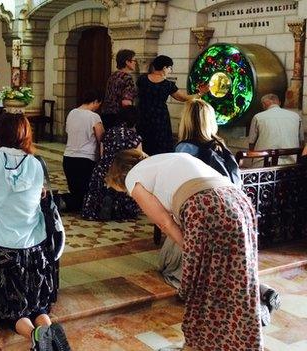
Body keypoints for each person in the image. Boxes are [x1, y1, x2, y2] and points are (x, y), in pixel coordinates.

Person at [106, 149, 263, 350]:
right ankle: (242, 343)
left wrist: (188, 249)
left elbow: (165, 223)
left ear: (119, 176)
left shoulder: (133, 178)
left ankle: (200, 345)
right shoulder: (165, 158)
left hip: (207, 206)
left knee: (202, 283)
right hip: (239, 201)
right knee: (238, 278)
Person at [173, 99, 280, 326]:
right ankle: (261, 293)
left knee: (174, 269)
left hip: (208, 214)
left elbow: (181, 189)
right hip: (238, 209)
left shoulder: (185, 148)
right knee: (235, 263)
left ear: (186, 120)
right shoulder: (221, 145)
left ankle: (248, 308)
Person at [0, 114, 70, 350]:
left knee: (14, 311)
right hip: (33, 246)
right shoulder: (36, 164)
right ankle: (49, 333)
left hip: (0, 246)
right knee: (37, 305)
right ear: (25, 135)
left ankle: (34, 336)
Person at [136, 55, 208, 156]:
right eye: (170, 67)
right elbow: (184, 98)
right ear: (164, 68)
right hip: (159, 119)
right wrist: (201, 93)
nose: (170, 70)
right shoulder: (167, 85)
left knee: (145, 142)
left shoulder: (142, 79)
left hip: (143, 116)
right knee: (160, 146)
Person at [81, 106, 141, 221]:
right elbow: (138, 159)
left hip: (103, 171)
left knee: (101, 184)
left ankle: (100, 205)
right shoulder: (135, 137)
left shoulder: (108, 133)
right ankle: (117, 208)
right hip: (122, 172)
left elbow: (102, 154)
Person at [62, 89, 104, 212]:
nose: (98, 107)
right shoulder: (94, 117)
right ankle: (58, 201)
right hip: (85, 160)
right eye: (98, 104)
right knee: (84, 196)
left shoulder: (72, 113)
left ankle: (59, 201)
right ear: (95, 101)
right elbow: (101, 138)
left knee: (76, 191)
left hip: (68, 158)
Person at [248, 93, 304, 166]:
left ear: (264, 104)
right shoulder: (296, 116)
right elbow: (302, 142)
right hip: (291, 162)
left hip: (264, 163)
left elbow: (251, 143)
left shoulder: (258, 117)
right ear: (279, 103)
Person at [100, 49, 137, 130]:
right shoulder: (127, 78)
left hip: (106, 115)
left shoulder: (113, 76)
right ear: (127, 62)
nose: (135, 63)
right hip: (120, 117)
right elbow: (126, 102)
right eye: (134, 60)